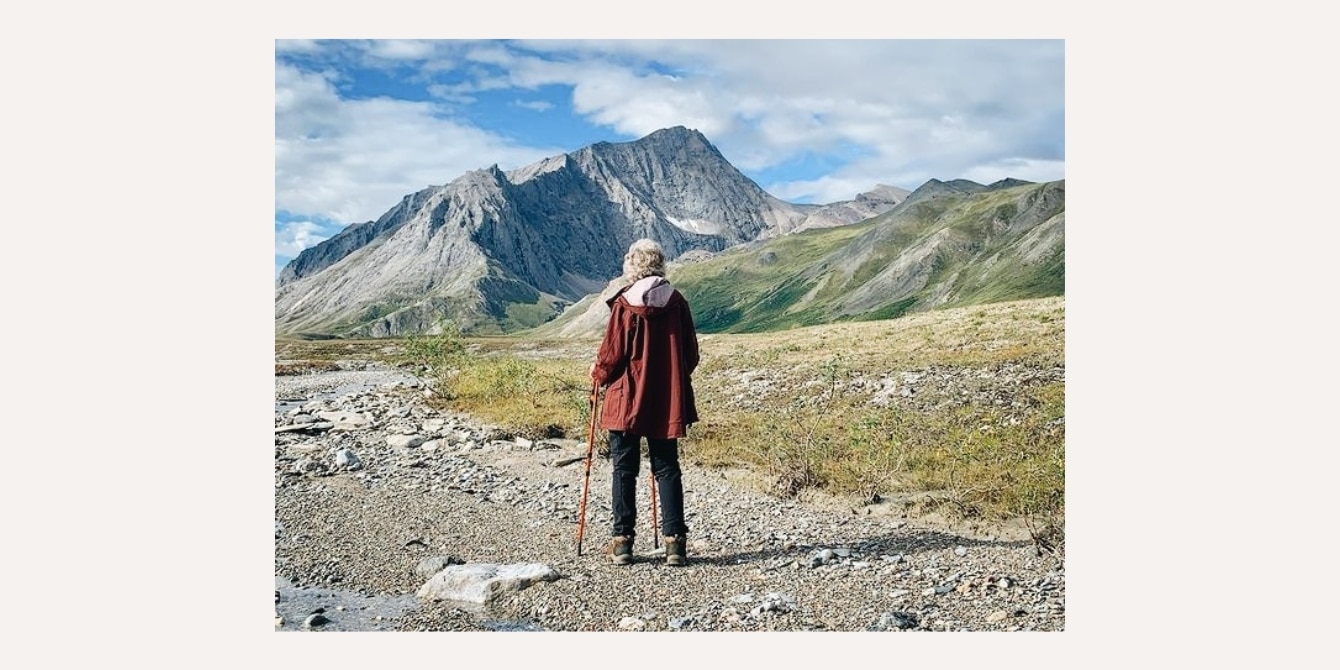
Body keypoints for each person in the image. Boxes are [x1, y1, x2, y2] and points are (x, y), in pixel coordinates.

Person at [590, 238, 700, 567]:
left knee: (624, 470)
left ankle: (622, 543)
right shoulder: (677, 302)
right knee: (667, 469)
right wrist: (670, 377)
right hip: (667, 400)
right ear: (660, 263)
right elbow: (690, 355)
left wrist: (597, 374)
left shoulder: (624, 303)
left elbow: (612, 355)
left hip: (625, 399)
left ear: (633, 265)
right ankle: (675, 544)